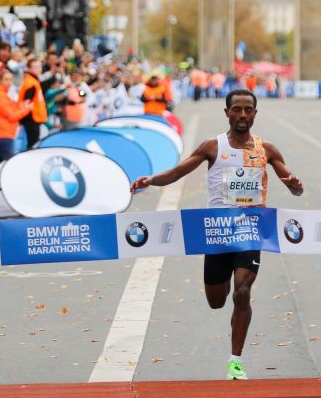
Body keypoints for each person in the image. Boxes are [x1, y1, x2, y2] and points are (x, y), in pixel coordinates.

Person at [130, 89, 304, 381]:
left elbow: (294, 187)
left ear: (255, 114)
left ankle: (235, 360)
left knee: (242, 291)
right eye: (237, 109)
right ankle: (226, 290)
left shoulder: (267, 150)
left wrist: (295, 186)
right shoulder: (213, 147)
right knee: (217, 301)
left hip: (250, 230)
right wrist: (151, 180)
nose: (243, 115)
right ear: (227, 113)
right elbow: (176, 173)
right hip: (217, 233)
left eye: (248, 110)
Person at [0, 68, 32, 166]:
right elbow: (12, 116)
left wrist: (22, 106)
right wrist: (27, 109)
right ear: (0, 80)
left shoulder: (2, 95)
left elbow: (11, 110)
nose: (9, 82)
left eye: (10, 79)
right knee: (7, 165)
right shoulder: (0, 96)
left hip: (2, 135)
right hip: (4, 135)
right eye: (6, 79)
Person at [18, 57, 48, 147]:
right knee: (32, 143)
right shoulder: (31, 83)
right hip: (32, 118)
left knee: (33, 142)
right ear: (29, 69)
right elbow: (26, 102)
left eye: (39, 66)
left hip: (34, 117)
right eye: (35, 67)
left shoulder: (33, 81)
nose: (39, 69)